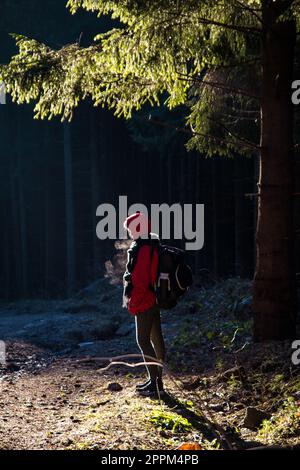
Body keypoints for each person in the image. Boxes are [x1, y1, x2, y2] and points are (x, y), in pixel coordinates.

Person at [123, 211, 165, 397]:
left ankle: (156, 385)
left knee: (143, 340)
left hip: (145, 299)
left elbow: (140, 280)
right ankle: (156, 381)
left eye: (131, 228)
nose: (130, 232)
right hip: (154, 298)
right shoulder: (153, 244)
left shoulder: (142, 248)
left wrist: (133, 301)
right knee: (157, 340)